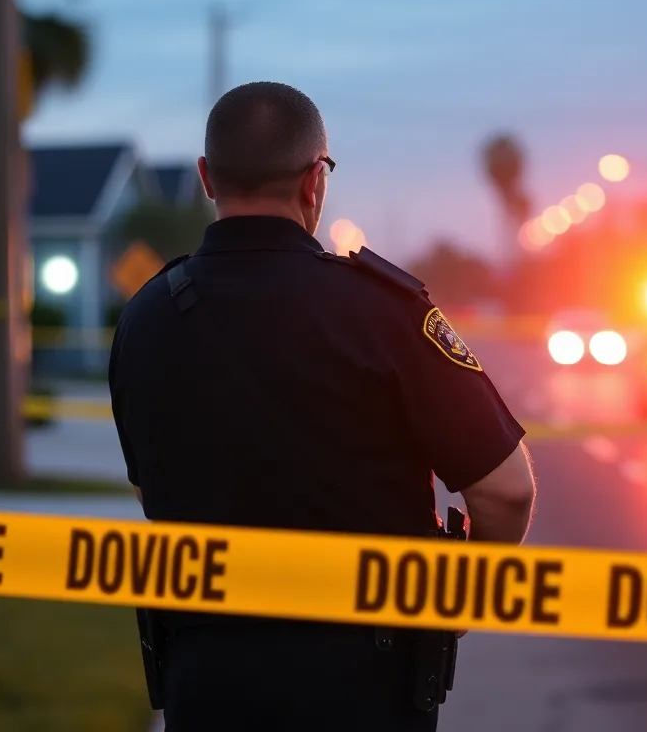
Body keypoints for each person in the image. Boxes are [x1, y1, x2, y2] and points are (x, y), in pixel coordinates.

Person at [108, 81, 536, 731]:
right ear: (315, 181)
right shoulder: (384, 313)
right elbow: (505, 491)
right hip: (362, 689)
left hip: (206, 686)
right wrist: (461, 596)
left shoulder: (144, 320)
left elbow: (150, 492)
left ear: (205, 178)